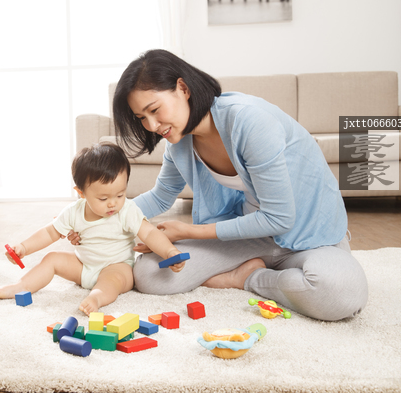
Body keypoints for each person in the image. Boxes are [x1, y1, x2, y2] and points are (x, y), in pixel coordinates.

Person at [69, 49, 368, 321]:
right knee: (149, 274)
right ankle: (246, 275)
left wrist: (188, 231)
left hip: (309, 234)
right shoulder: (178, 144)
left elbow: (280, 218)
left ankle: (255, 278)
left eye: (155, 109)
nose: (152, 126)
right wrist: (93, 215)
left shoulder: (250, 122)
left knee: (339, 290)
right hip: (249, 236)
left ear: (183, 88)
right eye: (141, 118)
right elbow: (161, 197)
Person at [0, 142, 186, 315]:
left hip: (117, 266)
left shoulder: (127, 210)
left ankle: (97, 298)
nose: (113, 203)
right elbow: (50, 232)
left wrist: (169, 251)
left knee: (113, 280)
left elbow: (149, 232)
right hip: (83, 266)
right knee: (52, 259)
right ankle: (21, 286)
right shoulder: (73, 211)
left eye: (120, 194)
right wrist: (24, 247)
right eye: (103, 198)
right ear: (81, 193)